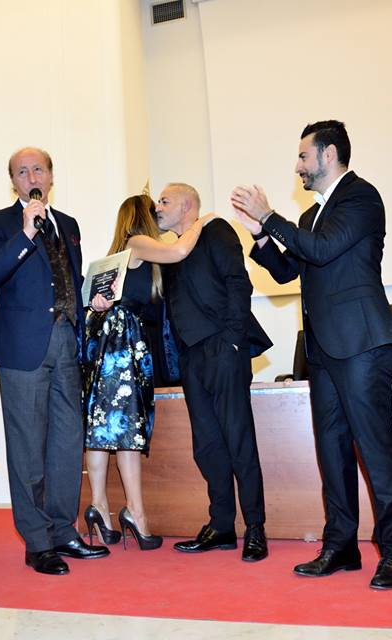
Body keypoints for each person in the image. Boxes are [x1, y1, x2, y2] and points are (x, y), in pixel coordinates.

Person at [231, 120, 392, 589]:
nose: (297, 166)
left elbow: (326, 249)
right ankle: (341, 546)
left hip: (361, 343)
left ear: (328, 154)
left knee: (375, 447)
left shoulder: (361, 197)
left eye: (302, 156)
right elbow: (287, 270)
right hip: (324, 350)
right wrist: (260, 235)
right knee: (331, 450)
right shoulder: (311, 215)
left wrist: (272, 217)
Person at [0, 147, 110, 575]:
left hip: (66, 342)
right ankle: (37, 541)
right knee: (28, 446)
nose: (31, 177)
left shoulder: (68, 224)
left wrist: (93, 300)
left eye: (37, 169)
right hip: (21, 347)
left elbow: (69, 281)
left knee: (67, 442)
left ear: (51, 176)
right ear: (13, 181)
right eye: (21, 171)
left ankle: (63, 530)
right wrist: (25, 234)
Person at [83, 194, 214, 551]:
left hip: (107, 344)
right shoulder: (138, 243)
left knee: (102, 429)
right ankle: (136, 514)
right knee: (127, 428)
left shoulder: (119, 254)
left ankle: (100, 507)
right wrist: (202, 221)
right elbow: (179, 251)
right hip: (124, 343)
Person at [155, 182, 273, 563]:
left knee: (238, 440)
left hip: (223, 349)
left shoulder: (216, 230)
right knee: (207, 445)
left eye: (165, 201)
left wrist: (233, 342)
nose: (158, 207)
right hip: (191, 358)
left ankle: (255, 527)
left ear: (186, 205)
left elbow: (239, 282)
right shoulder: (172, 249)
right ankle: (221, 525)